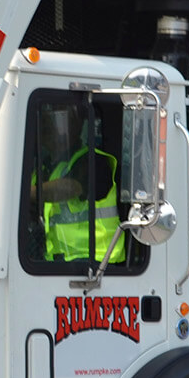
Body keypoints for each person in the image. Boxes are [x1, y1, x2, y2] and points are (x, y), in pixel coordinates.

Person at [33, 105, 125, 264]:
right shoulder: (44, 168)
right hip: (58, 261)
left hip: (98, 263)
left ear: (76, 124)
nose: (51, 128)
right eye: (45, 124)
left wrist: (26, 194)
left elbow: (72, 187)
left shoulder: (93, 161)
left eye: (57, 120)